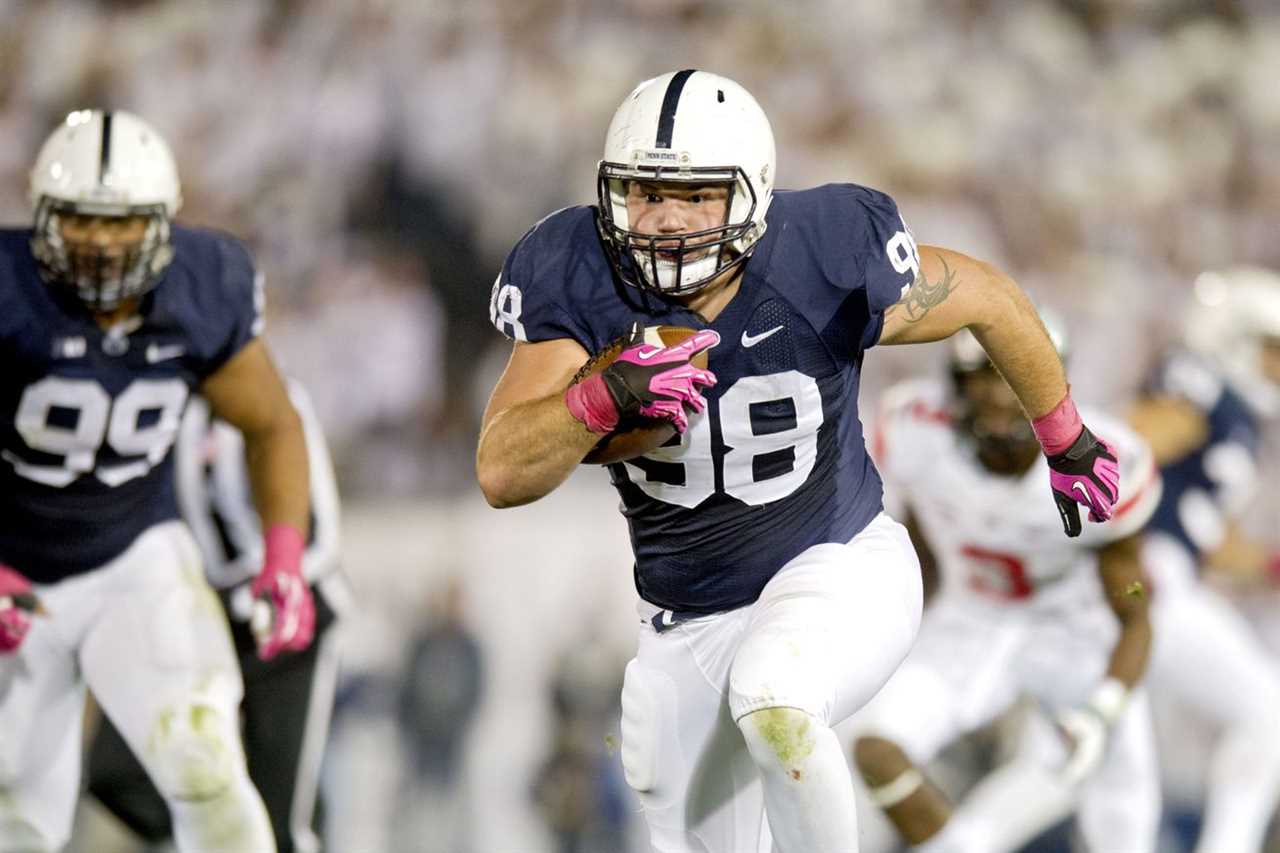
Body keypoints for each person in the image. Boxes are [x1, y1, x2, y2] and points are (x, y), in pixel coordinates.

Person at [476, 69, 1121, 852]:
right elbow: (503, 472)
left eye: (699, 195)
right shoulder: (575, 269)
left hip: (839, 561)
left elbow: (986, 296)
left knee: (775, 697)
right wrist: (602, 396)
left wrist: (1065, 436)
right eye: (646, 191)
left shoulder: (823, 250)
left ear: (753, 195)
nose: (668, 221)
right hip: (685, 619)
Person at [0, 109, 314, 853]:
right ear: (41, 216)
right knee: (14, 817)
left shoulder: (205, 287)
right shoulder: (10, 291)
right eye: (78, 219)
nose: (101, 243)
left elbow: (272, 423)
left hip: (132, 557)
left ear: (165, 223)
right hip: (12, 572)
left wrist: (284, 557)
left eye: (123, 223)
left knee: (204, 763)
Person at [851, 326, 1162, 852]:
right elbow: (919, 548)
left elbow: (1133, 605)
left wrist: (1105, 704)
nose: (999, 396)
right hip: (972, 619)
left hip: (1072, 632)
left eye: (1015, 380)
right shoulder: (914, 430)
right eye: (982, 379)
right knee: (875, 747)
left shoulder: (1106, 459)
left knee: (1125, 801)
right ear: (956, 385)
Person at [85, 379, 345, 853]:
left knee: (284, 815)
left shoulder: (279, 403)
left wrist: (267, 588)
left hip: (290, 624)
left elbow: (323, 537)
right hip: (208, 617)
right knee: (115, 767)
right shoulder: (169, 411)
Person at [1125, 267, 1280, 853]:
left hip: (1157, 580)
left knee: (1087, 755)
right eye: (1272, 349)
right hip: (1145, 584)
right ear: (1236, 338)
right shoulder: (1200, 386)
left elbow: (1209, 540)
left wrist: (1272, 566)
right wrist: (1116, 552)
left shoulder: (1235, 415)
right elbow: (1126, 448)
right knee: (1268, 712)